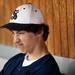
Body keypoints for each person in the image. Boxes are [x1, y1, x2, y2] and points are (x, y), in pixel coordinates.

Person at [0, 3, 64, 75]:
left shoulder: (46, 70)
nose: (15, 41)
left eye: (21, 33)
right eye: (13, 33)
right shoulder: (15, 60)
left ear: (39, 31)